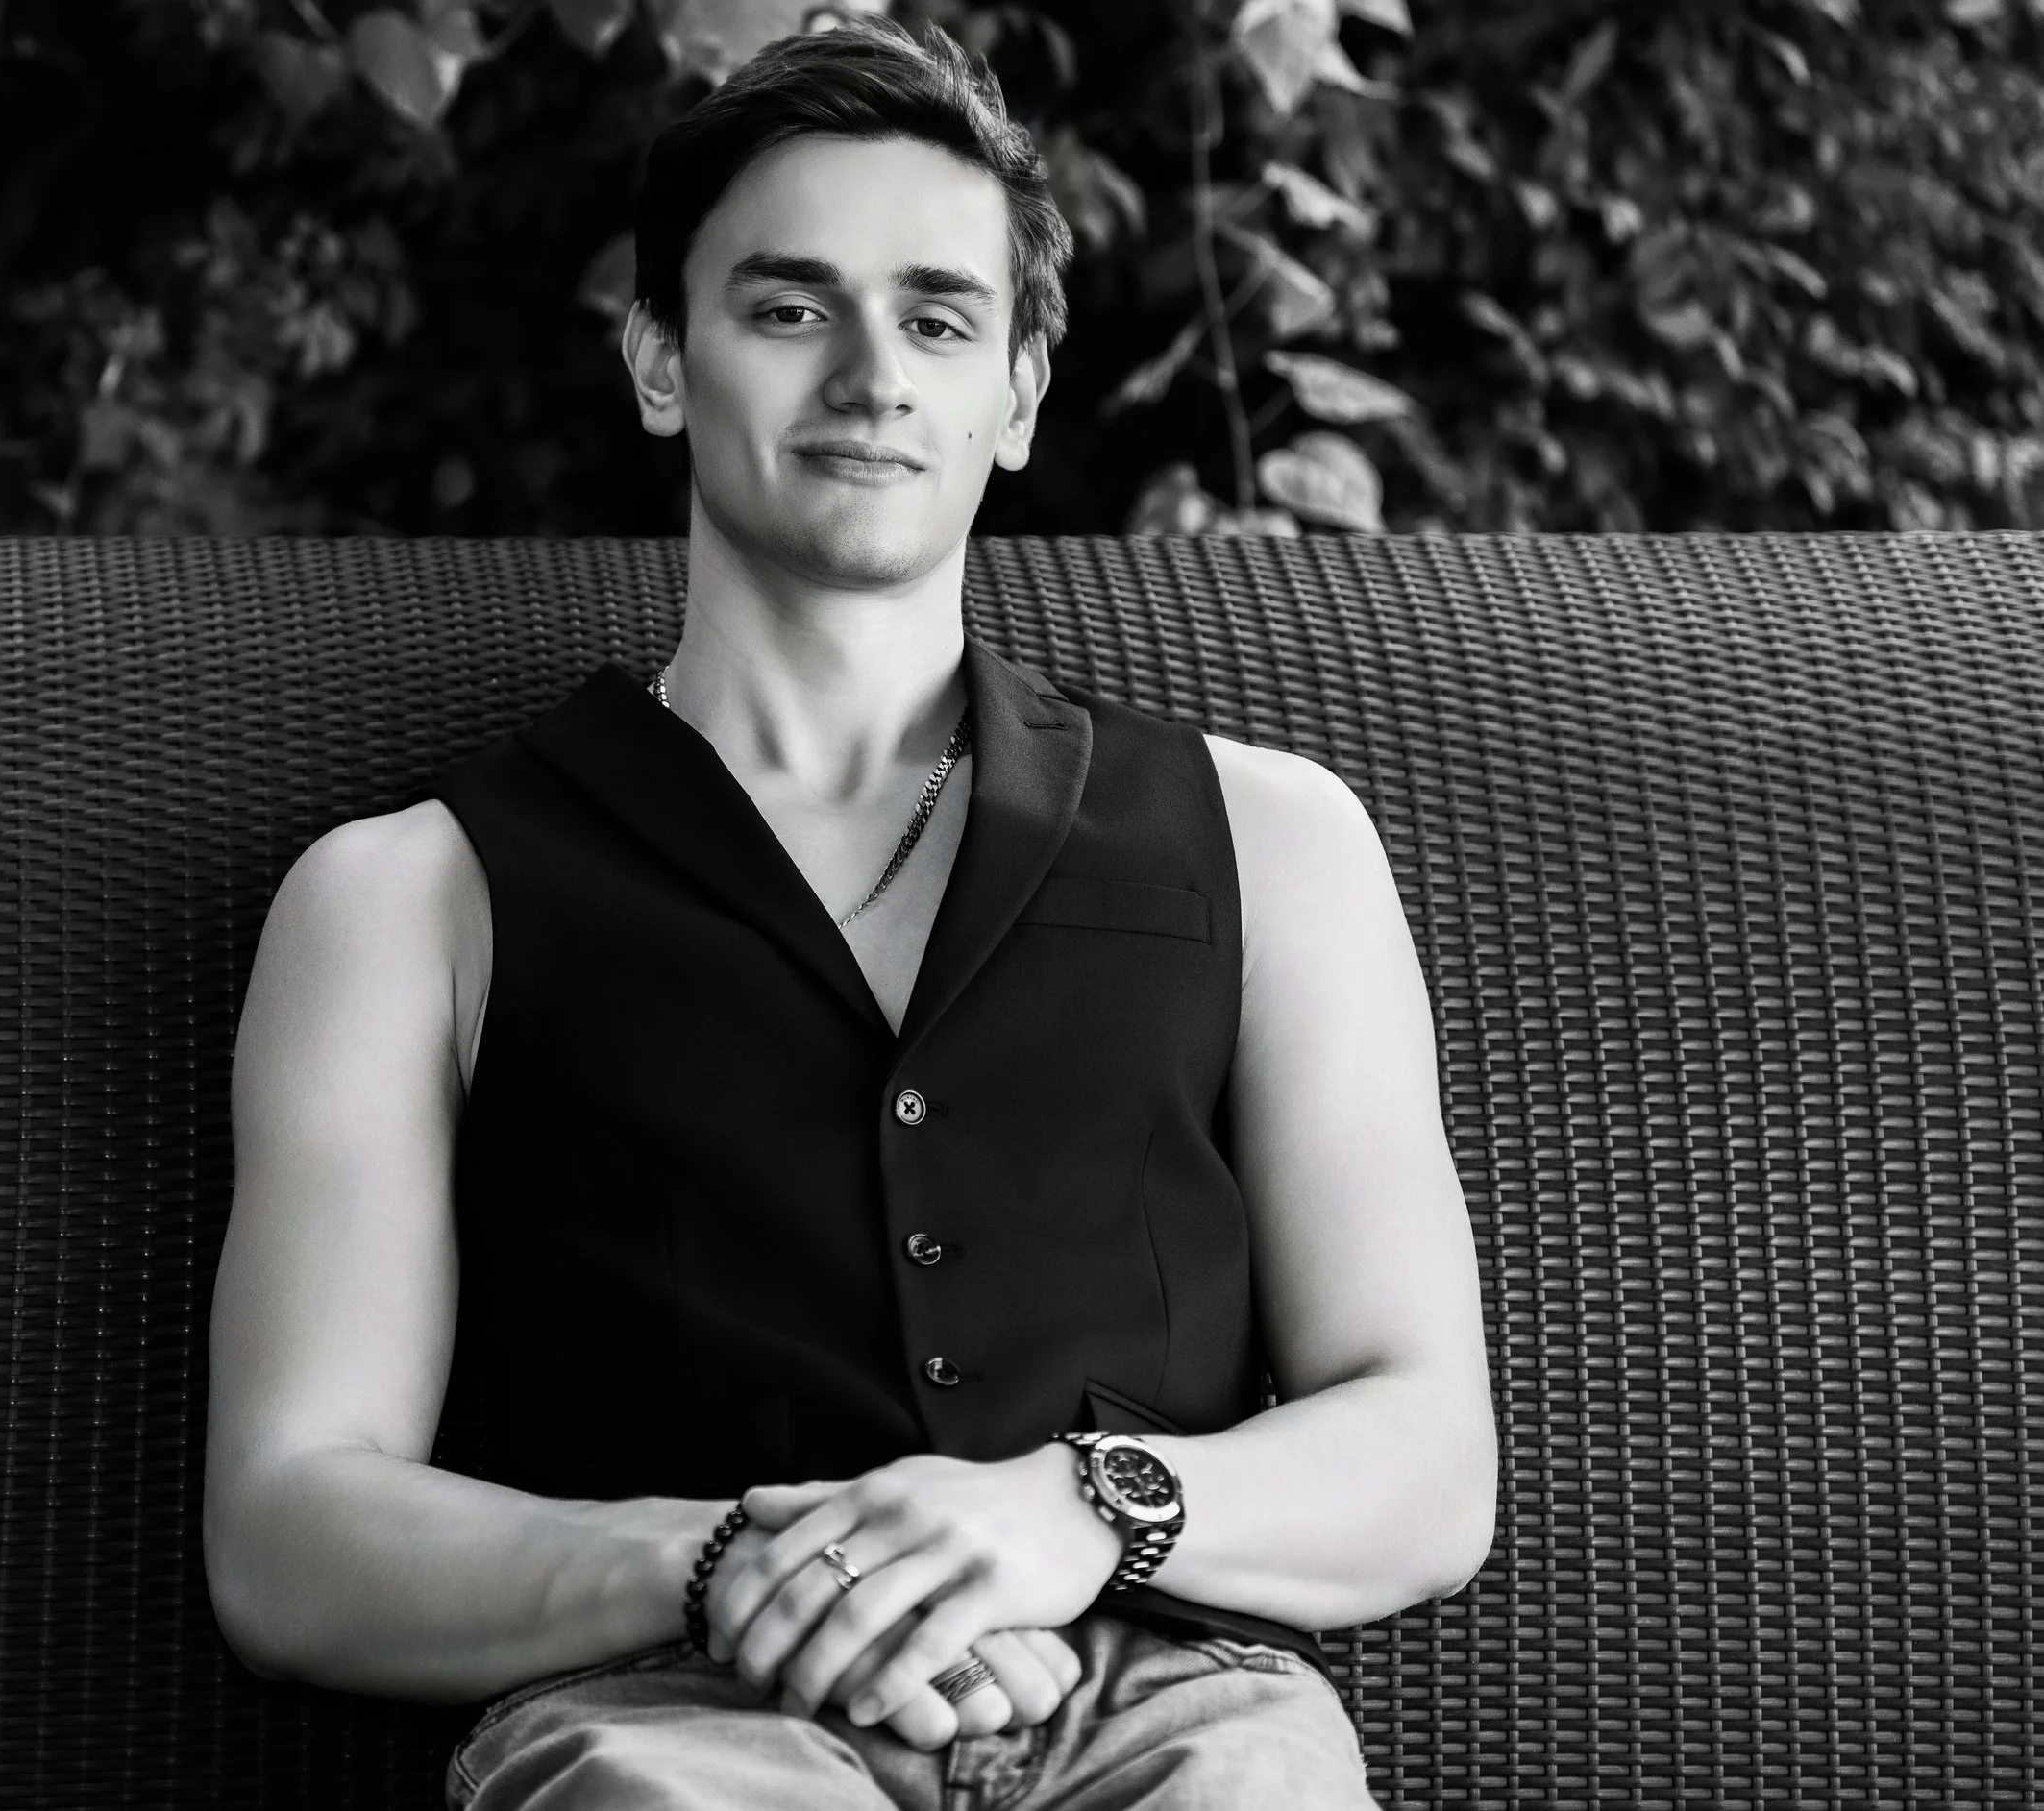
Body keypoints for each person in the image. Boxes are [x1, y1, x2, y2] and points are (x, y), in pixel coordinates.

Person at [203, 13, 1495, 1807]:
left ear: (1019, 394)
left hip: (1170, 1714)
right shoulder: (407, 898)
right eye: (791, 306)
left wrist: (1081, 1510)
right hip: (673, 1720)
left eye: (942, 317)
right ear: (662, 359)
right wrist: (734, 1563)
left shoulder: (1275, 841)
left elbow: (1429, 1454)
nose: (875, 371)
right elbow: (288, 1534)